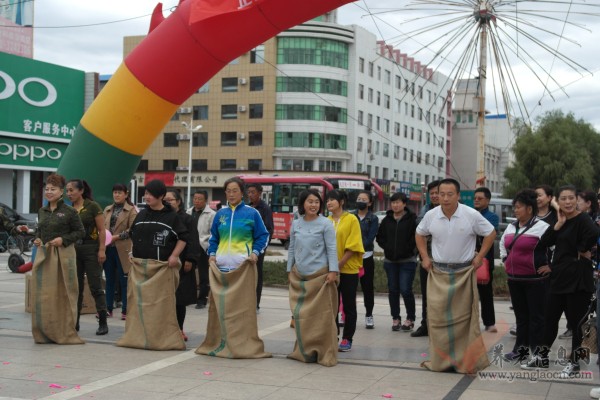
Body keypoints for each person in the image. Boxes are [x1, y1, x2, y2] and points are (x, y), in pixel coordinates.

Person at [415, 178, 495, 373]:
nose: (445, 198)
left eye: (450, 194)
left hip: (464, 272)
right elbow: (419, 234)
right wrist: (425, 257)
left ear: (458, 196)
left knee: (465, 319)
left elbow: (491, 233)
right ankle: (441, 361)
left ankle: (465, 361)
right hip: (438, 273)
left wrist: (480, 257)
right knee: (437, 318)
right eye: (441, 194)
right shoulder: (431, 215)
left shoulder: (471, 214)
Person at [522, 185, 599, 377]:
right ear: (558, 200)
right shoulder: (561, 220)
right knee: (549, 320)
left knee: (576, 325)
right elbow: (543, 243)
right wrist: (557, 226)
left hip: (578, 280)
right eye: (563, 198)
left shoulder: (583, 220)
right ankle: (542, 357)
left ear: (576, 200)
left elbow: (593, 234)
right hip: (559, 279)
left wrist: (581, 249)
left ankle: (574, 364)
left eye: (571, 198)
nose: (568, 202)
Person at [197, 177, 270, 358]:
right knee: (220, 309)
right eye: (228, 191)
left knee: (242, 310)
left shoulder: (252, 213)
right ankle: (220, 342)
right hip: (221, 270)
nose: (231, 194)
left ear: (242, 192)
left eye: (235, 190)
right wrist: (212, 254)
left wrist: (255, 253)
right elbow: (213, 237)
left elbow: (263, 236)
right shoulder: (220, 214)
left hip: (243, 270)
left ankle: (242, 345)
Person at [116, 179, 188, 350]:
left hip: (161, 268)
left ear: (161, 196)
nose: (146, 197)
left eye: (150, 194)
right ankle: (138, 337)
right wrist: (132, 252)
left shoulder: (171, 217)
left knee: (159, 305)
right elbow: (134, 234)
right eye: (146, 193)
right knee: (138, 303)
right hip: (140, 268)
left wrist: (174, 256)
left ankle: (159, 338)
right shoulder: (141, 215)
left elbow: (183, 238)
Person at [286, 189, 339, 366]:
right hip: (299, 277)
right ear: (303, 204)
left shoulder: (326, 224)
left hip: (321, 277)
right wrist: (289, 270)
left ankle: (323, 351)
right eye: (310, 201)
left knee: (321, 317)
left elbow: (332, 248)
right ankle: (304, 350)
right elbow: (292, 248)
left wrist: (333, 271)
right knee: (301, 315)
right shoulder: (296, 224)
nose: (313, 205)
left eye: (316, 202)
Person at [31, 173, 85, 344]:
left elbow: (80, 232)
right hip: (45, 256)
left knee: (64, 293)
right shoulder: (42, 210)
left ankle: (65, 330)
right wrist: (38, 238)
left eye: (53, 189)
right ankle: (44, 331)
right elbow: (40, 230)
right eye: (47, 189)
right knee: (44, 294)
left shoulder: (69, 211)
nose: (49, 192)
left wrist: (63, 240)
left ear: (61, 192)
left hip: (63, 256)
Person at [500, 189, 553, 362]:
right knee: (521, 317)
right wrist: (505, 260)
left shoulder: (542, 227)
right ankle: (520, 350)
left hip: (535, 280)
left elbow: (558, 247)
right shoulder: (511, 226)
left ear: (529, 209)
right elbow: (503, 243)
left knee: (537, 317)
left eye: (518, 207)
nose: (515, 210)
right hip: (515, 279)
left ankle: (537, 353)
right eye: (514, 207)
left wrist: (550, 266)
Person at [65, 179, 109, 335]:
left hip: (91, 248)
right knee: (76, 288)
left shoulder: (92, 206)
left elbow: (102, 230)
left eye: (72, 190)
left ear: (81, 191)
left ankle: (103, 321)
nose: (69, 193)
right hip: (73, 250)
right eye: (67, 191)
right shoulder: (69, 209)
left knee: (95, 286)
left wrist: (102, 249)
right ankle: (74, 323)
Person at [326, 189, 364, 352]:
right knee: (331, 305)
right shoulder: (325, 221)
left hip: (347, 270)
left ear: (341, 202)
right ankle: (333, 335)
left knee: (348, 306)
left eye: (333, 199)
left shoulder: (351, 220)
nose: (329, 202)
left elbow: (353, 246)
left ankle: (347, 338)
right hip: (330, 271)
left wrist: (338, 266)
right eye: (327, 200)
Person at [376, 192, 418, 332]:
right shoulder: (387, 219)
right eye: (393, 202)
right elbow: (380, 237)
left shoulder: (412, 219)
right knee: (393, 290)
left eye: (398, 202)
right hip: (390, 261)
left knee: (406, 290)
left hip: (408, 260)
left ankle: (410, 319)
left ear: (404, 204)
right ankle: (396, 318)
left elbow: (417, 238)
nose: (395, 205)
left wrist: (409, 250)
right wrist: (387, 247)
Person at [165, 189, 201, 341]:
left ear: (178, 202)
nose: (167, 203)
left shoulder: (187, 219)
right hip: (165, 263)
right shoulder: (164, 217)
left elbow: (193, 239)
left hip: (182, 262)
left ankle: (179, 329)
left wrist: (191, 260)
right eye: (165, 200)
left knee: (180, 300)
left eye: (170, 200)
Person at [103, 183, 137, 320]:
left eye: (119, 192)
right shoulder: (107, 209)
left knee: (125, 281)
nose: (116, 195)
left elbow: (133, 229)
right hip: (108, 249)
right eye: (115, 192)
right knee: (109, 280)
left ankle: (125, 310)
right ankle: (108, 309)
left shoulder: (131, 210)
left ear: (126, 194)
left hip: (123, 249)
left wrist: (116, 237)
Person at [412, 180, 440, 337]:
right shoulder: (426, 211)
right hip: (427, 259)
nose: (435, 196)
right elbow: (420, 232)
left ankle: (440, 327)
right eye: (433, 193)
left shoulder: (453, 210)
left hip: (445, 261)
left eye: (438, 192)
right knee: (426, 294)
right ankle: (425, 324)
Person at [473, 187, 499, 332]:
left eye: (480, 198)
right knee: (468, 294)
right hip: (467, 259)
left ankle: (489, 322)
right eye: (475, 198)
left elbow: (488, 232)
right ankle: (470, 322)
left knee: (485, 292)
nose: (476, 200)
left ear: (487, 201)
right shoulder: (469, 213)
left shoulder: (492, 216)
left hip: (484, 260)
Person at [352, 190, 378, 329]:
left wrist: (356, 246)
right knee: (349, 288)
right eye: (358, 198)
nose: (360, 201)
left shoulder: (372, 218)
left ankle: (369, 315)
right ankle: (347, 315)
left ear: (369, 203)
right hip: (351, 258)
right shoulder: (351, 216)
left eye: (363, 199)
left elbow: (370, 239)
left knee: (367, 288)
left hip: (366, 257)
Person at [246, 183, 274, 313]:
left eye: (253, 192)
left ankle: (256, 304)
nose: (250, 194)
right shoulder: (247, 207)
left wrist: (261, 249)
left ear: (259, 193)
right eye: (249, 192)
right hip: (245, 247)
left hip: (258, 248)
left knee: (257, 275)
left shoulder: (265, 209)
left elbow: (268, 229)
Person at [187, 190, 215, 309]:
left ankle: (202, 299)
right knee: (189, 273)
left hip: (203, 247)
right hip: (190, 247)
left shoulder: (212, 214)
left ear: (206, 201)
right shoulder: (188, 212)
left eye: (200, 199)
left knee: (204, 275)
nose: (197, 201)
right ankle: (190, 297)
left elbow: (214, 233)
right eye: (195, 198)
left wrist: (207, 244)